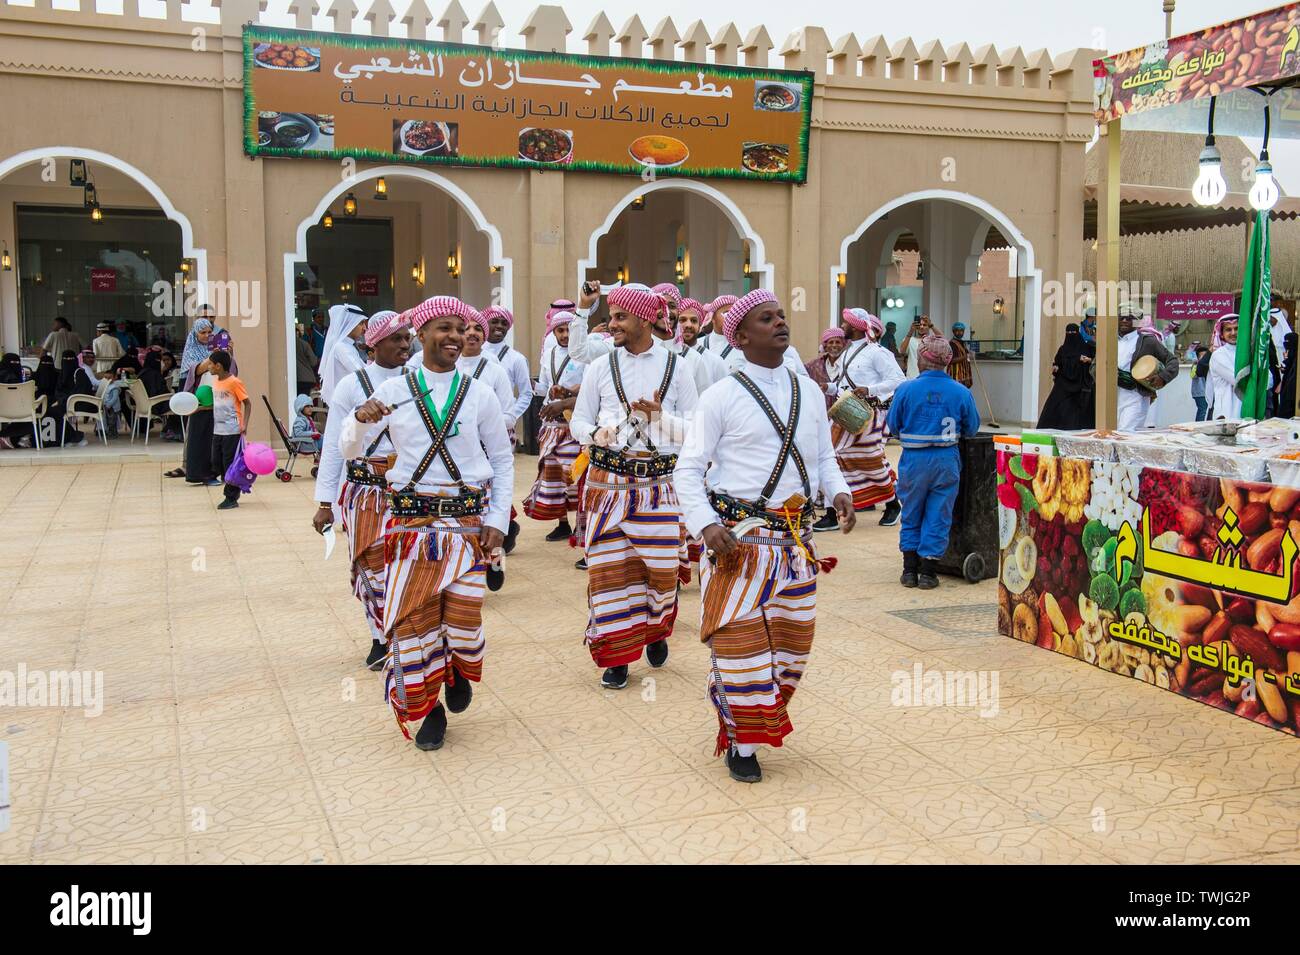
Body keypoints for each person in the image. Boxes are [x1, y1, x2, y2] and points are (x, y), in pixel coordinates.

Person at [673, 287, 855, 783]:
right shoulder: (720, 395)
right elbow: (688, 470)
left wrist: (837, 491)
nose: (780, 323)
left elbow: (822, 460)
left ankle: (752, 719)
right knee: (741, 649)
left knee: (792, 651)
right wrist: (706, 524)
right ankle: (741, 740)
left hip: (796, 545)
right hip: (739, 543)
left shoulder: (809, 391)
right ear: (741, 334)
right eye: (766, 318)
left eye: (781, 315)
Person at [340, 295, 513, 751]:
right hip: (410, 523)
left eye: (460, 328)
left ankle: (456, 667)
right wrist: (358, 421)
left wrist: (498, 518)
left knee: (461, 620)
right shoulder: (394, 391)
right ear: (420, 334)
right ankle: (428, 709)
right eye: (444, 327)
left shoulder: (479, 392)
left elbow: (501, 457)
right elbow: (349, 450)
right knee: (414, 620)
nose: (455, 336)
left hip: (467, 522)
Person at [568, 283, 699, 690]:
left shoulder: (677, 367)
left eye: (620, 316)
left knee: (659, 574)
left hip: (659, 485)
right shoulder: (598, 367)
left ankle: (657, 628)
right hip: (607, 484)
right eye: (611, 316)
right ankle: (618, 655)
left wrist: (660, 420)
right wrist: (595, 434)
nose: (612, 324)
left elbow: (696, 431)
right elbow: (578, 421)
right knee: (609, 573)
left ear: (643, 318)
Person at [313, 310, 412, 671]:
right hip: (364, 491)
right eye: (396, 339)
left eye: (407, 337)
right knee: (370, 565)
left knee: (405, 564)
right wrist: (325, 502)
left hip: (408, 490)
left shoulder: (418, 380)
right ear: (374, 344)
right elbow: (333, 446)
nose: (405, 344)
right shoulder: (351, 385)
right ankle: (378, 636)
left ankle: (404, 635)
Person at [886, 334, 981, 590]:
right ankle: (928, 573)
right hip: (946, 460)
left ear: (922, 358)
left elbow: (893, 425)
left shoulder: (905, 389)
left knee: (912, 511)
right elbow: (972, 428)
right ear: (947, 360)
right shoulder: (961, 392)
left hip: (914, 460)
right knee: (939, 514)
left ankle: (909, 570)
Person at [818, 308, 904, 531]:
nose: (842, 326)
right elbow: (845, 386)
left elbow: (898, 379)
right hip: (844, 414)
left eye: (846, 324)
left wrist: (870, 389)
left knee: (871, 460)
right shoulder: (847, 352)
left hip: (868, 416)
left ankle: (893, 504)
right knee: (830, 457)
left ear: (855, 327)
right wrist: (828, 387)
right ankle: (831, 513)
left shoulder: (877, 352)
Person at [522, 308, 586, 541]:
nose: (565, 335)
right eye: (560, 330)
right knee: (553, 474)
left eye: (569, 330)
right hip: (552, 423)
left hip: (575, 421)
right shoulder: (548, 355)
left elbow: (589, 385)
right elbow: (545, 385)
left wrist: (567, 394)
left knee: (576, 474)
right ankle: (562, 523)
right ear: (554, 332)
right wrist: (531, 386)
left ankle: (582, 525)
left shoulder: (584, 353)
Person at [168, 312, 225, 485]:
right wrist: (212, 358)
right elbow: (196, 370)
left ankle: (215, 472)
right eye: (203, 333)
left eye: (210, 332)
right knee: (199, 437)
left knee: (215, 438)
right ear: (195, 334)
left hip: (216, 400)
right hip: (199, 403)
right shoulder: (191, 349)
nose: (207, 336)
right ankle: (200, 474)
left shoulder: (215, 348)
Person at [1116, 312, 1178, 430]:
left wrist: (1162, 377)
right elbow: (1095, 365)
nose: (1124, 320)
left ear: (1138, 321)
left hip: (1135, 397)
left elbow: (1172, 361)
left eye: (1129, 318)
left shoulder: (1147, 341)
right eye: (1121, 317)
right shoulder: (1109, 341)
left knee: (1126, 436)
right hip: (1110, 398)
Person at [482, 305, 536, 434]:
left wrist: (509, 417)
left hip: (503, 427)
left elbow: (526, 394)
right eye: (494, 322)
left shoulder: (517, 359)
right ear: (485, 324)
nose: (500, 326)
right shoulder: (473, 354)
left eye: (504, 323)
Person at [209, 349, 250, 510]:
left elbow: (247, 403)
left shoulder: (234, 382)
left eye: (211, 364)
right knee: (216, 462)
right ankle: (232, 489)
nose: (209, 367)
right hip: (217, 429)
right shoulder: (216, 382)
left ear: (218, 366)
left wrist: (244, 423)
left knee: (230, 465)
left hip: (232, 430)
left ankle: (231, 497)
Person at [1036, 323, 1096, 430]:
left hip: (1080, 388)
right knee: (1055, 409)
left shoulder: (1087, 348)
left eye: (1073, 333)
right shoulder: (1063, 350)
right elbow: (1057, 363)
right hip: (1063, 386)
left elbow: (1095, 363)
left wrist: (1088, 361)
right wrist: (1055, 368)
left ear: (1078, 333)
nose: (1071, 335)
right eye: (1068, 333)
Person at [318, 304, 369, 405]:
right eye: (361, 323)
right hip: (345, 405)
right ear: (350, 323)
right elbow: (361, 373)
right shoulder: (342, 347)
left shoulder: (348, 346)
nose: (365, 328)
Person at [675, 298, 728, 393]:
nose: (688, 325)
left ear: (700, 326)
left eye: (694, 321)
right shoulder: (667, 355)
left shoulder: (715, 361)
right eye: (682, 320)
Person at [1208, 313, 1242, 420]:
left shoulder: (1249, 353)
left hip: (1248, 413)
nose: (1233, 333)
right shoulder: (1219, 355)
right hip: (1227, 414)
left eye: (1236, 328)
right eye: (1228, 329)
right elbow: (1238, 380)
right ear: (1222, 334)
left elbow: (1268, 381)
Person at [803, 327, 846, 409]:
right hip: (821, 412)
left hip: (843, 415)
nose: (834, 345)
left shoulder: (849, 364)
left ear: (843, 345)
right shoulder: (814, 366)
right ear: (825, 346)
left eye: (838, 342)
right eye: (831, 342)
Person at [897, 314, 933, 379]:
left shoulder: (933, 341)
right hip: (912, 377)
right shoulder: (910, 340)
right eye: (920, 324)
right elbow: (901, 351)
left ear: (929, 327)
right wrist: (911, 331)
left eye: (924, 325)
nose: (921, 327)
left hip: (928, 378)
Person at [294, 322, 318, 397]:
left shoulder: (284, 344)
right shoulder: (303, 344)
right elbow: (313, 362)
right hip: (307, 379)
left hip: (296, 379)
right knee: (304, 404)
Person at [948, 322, 973, 388]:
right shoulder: (951, 344)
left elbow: (967, 356)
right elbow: (951, 360)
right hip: (955, 376)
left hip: (964, 376)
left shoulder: (963, 343)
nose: (960, 332)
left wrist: (970, 354)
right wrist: (966, 356)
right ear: (953, 331)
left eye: (961, 330)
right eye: (957, 330)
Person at [1190, 345, 1211, 422]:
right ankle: (1198, 426)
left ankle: (1207, 424)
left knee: (1208, 410)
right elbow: (1193, 375)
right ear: (1197, 357)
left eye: (1205, 356)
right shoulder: (1196, 365)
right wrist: (1197, 365)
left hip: (1206, 393)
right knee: (1202, 410)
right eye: (1201, 356)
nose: (1204, 358)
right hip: (1199, 393)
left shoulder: (1209, 365)